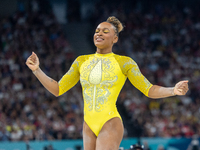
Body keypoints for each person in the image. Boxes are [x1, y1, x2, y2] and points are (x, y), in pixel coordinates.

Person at [26, 16, 189, 150]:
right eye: (97, 31)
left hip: (109, 122)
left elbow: (149, 89)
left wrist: (173, 90)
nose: (99, 33)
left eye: (105, 31)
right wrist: (37, 70)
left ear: (115, 38)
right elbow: (58, 89)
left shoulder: (124, 62)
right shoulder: (81, 61)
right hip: (88, 124)